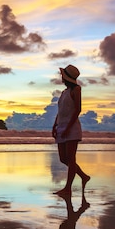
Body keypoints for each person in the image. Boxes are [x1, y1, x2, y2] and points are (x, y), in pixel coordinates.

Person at [51, 64, 90, 196]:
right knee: (63, 158)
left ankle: (68, 188)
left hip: (72, 127)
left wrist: (68, 127)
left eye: (62, 75)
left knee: (71, 158)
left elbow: (78, 109)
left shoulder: (76, 89)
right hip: (62, 126)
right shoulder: (64, 92)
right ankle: (84, 176)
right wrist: (55, 125)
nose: (61, 77)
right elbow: (61, 111)